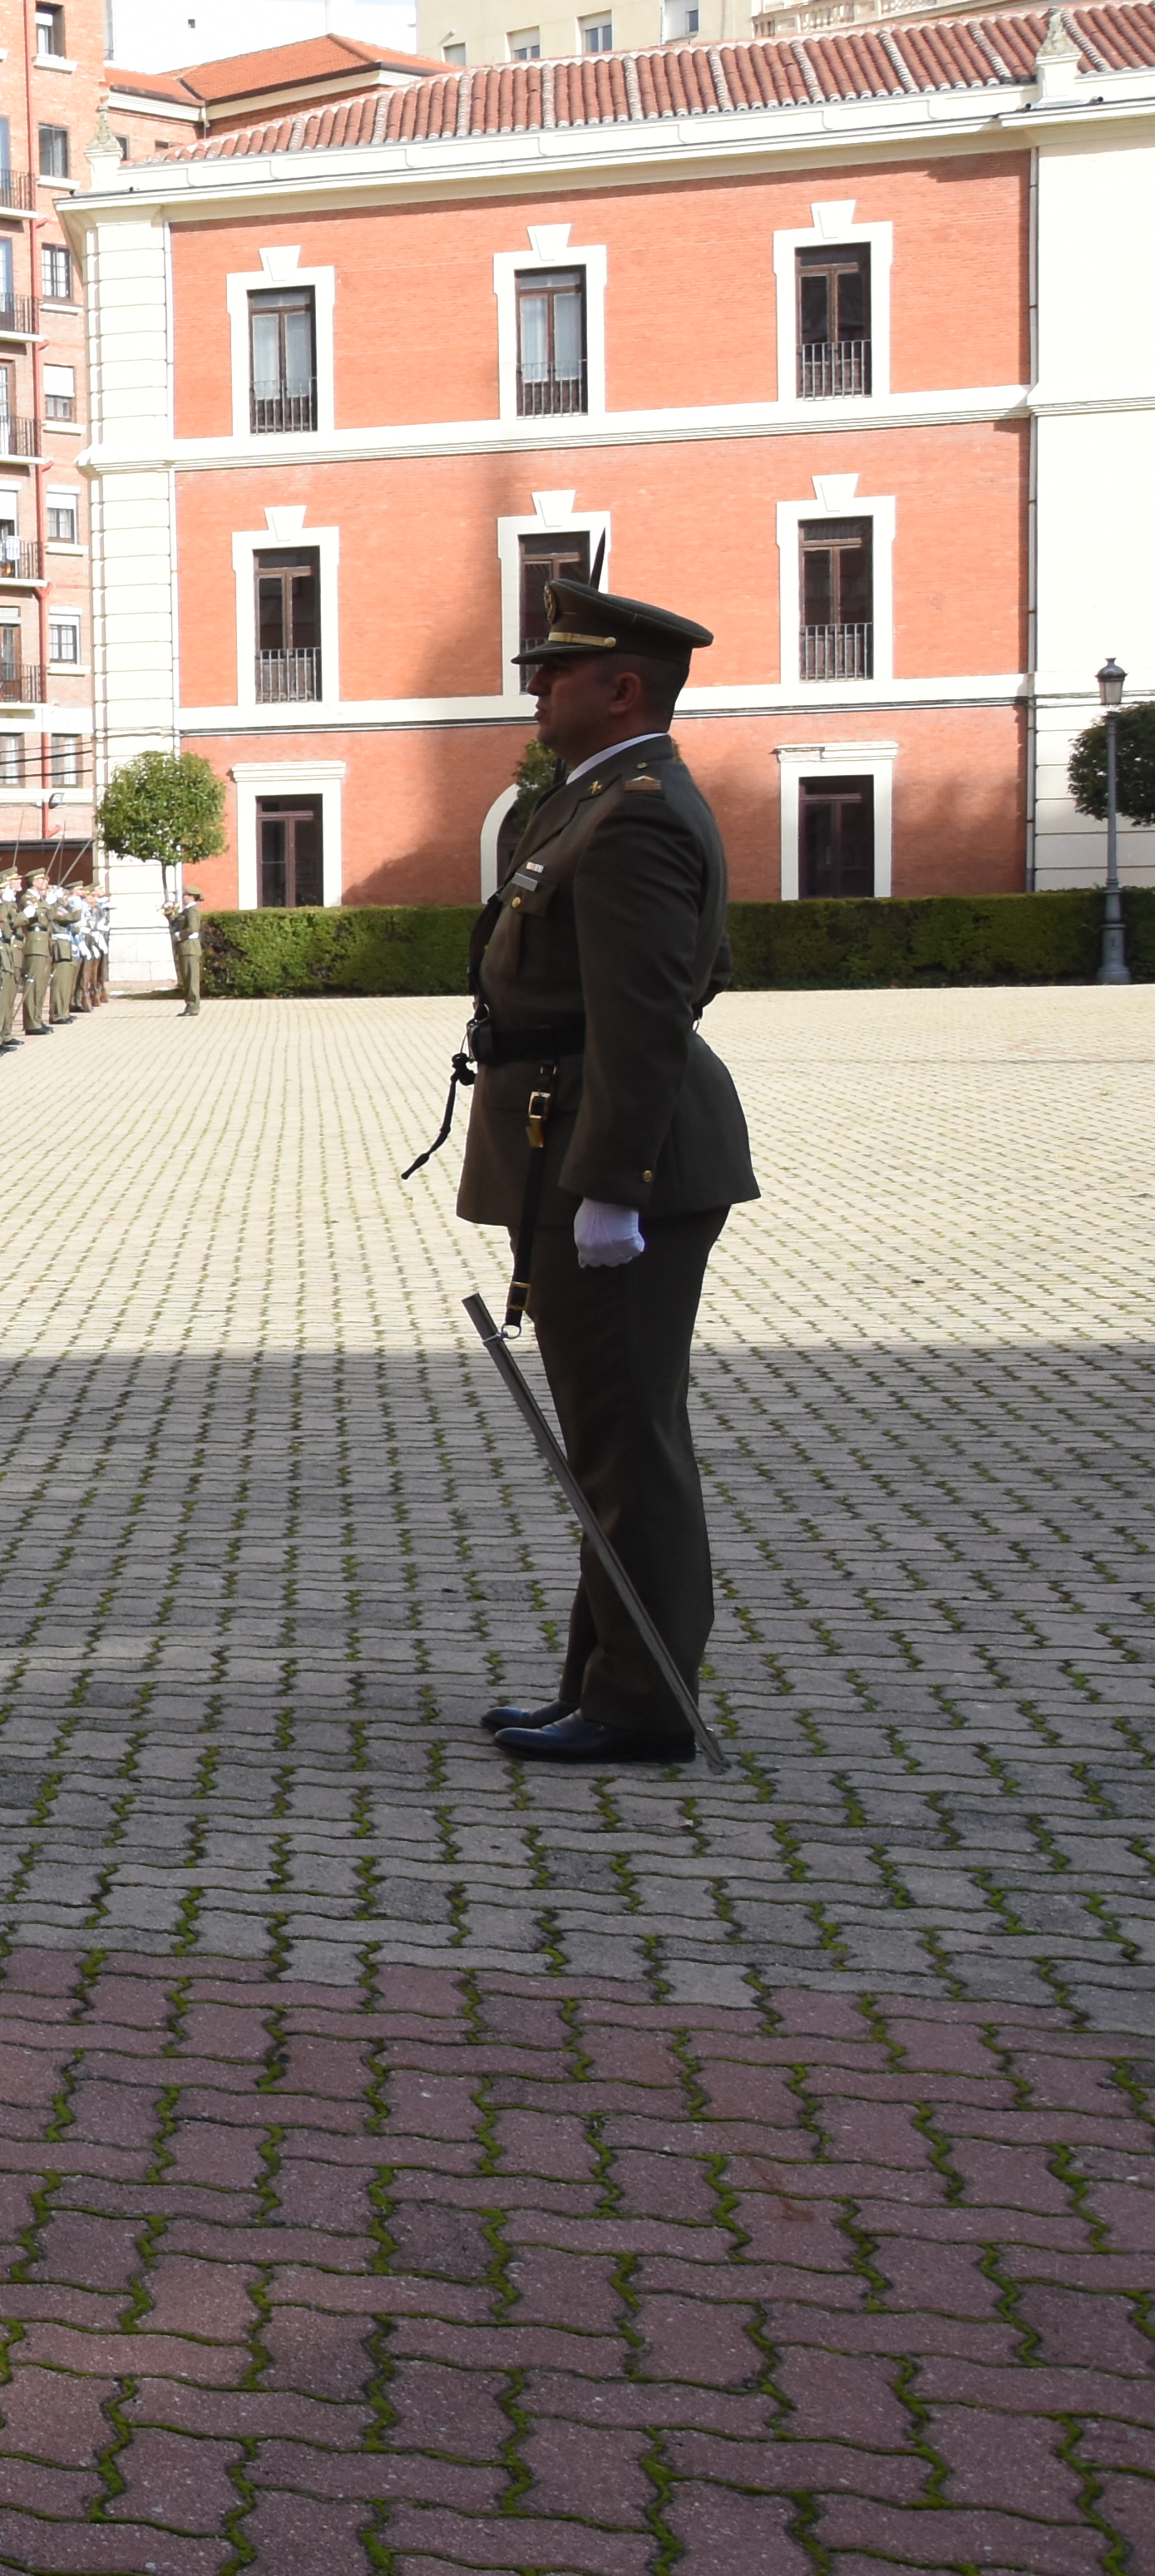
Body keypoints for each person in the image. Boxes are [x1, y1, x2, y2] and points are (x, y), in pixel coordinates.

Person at [459, 578, 758, 1769]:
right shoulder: (595, 799)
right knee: (607, 1439)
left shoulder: (633, 813)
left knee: (629, 1440)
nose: (536, 683)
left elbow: (645, 1013)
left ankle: (640, 1705)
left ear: (622, 687)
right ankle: (604, 1675)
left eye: (557, 668)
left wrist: (615, 1183)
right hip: (573, 1136)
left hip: (611, 1151)